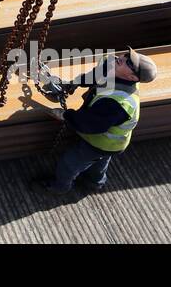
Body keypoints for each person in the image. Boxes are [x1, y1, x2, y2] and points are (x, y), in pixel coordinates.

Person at [31, 48, 158, 198]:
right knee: (100, 162)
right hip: (110, 142)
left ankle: (60, 186)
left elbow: (90, 124)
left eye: (129, 62)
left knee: (70, 163)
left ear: (132, 77)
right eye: (127, 55)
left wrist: (66, 115)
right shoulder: (113, 66)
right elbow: (95, 75)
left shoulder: (118, 104)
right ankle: (95, 182)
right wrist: (73, 84)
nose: (122, 58)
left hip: (101, 141)